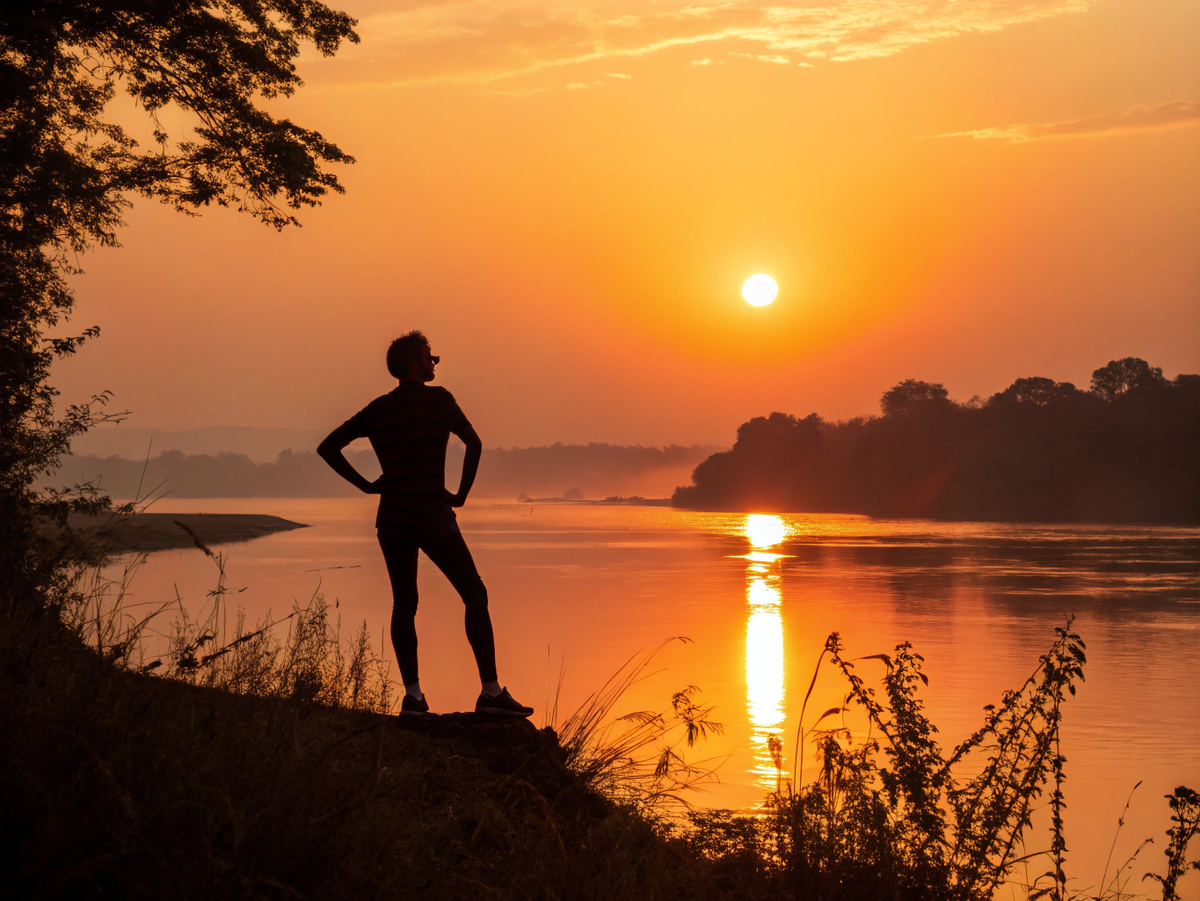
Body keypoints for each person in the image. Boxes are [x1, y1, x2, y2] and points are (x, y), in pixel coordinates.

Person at [318, 331, 533, 718]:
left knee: (405, 604)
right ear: (414, 365)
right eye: (428, 357)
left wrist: (367, 486)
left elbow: (328, 446)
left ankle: (414, 697)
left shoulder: (379, 409)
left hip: (393, 518)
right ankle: (490, 692)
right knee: (474, 593)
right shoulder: (439, 400)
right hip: (433, 516)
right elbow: (474, 443)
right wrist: (460, 494)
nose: (434, 362)